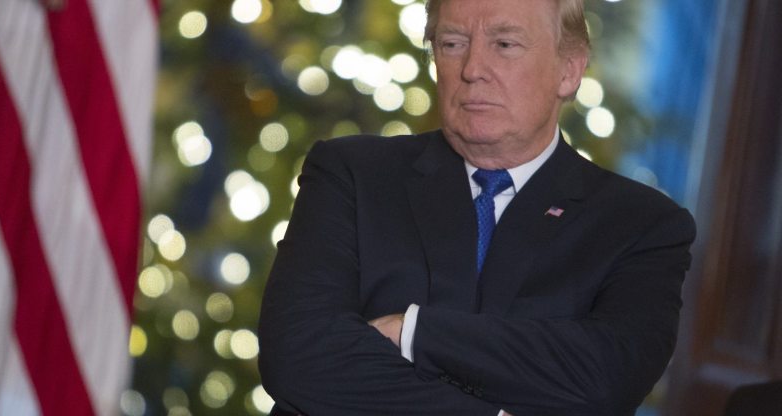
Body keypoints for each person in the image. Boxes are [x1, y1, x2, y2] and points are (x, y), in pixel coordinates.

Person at [258, 0, 696, 414]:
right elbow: (299, 356)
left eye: (504, 45)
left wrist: (414, 332)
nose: (472, 70)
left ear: (569, 69)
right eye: (452, 44)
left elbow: (608, 378)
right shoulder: (352, 174)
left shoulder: (641, 225)